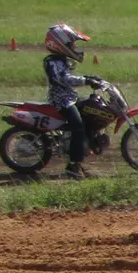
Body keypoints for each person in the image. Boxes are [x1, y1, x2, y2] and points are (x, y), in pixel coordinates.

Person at [43, 23, 102, 179]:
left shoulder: (61, 60)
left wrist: (89, 79)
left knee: (90, 116)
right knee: (78, 126)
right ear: (59, 44)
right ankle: (73, 166)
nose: (74, 46)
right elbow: (63, 79)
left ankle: (80, 159)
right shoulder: (52, 62)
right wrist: (86, 80)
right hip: (61, 100)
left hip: (70, 97)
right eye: (71, 44)